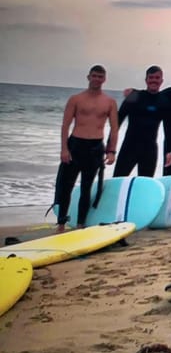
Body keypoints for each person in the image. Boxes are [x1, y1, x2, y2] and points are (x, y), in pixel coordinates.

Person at [54, 65, 119, 232]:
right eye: (94, 76)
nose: (97, 79)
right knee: (66, 186)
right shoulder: (76, 99)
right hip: (76, 145)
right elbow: (65, 125)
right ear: (88, 77)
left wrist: (111, 151)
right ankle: (61, 223)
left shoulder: (109, 102)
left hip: (95, 147)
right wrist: (64, 149)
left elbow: (114, 128)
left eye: (100, 77)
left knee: (86, 187)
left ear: (104, 79)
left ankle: (80, 224)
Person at [114, 66, 170, 178]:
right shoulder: (134, 95)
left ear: (161, 81)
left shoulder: (163, 101)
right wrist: (110, 147)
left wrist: (169, 151)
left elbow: (169, 129)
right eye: (151, 77)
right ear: (146, 80)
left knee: (145, 185)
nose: (154, 80)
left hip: (149, 150)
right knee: (117, 181)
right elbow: (118, 120)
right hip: (129, 147)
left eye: (157, 77)